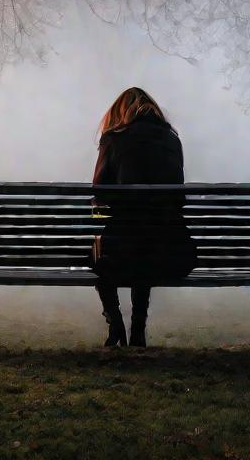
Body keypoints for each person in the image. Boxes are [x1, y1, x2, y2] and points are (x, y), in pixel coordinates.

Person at [90, 87, 195, 348]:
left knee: (98, 253)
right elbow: (178, 199)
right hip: (172, 253)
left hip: (124, 250)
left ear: (118, 113)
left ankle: (115, 324)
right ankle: (138, 327)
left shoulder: (114, 139)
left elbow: (99, 193)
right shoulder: (171, 140)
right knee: (146, 244)